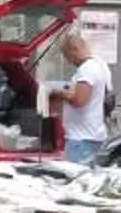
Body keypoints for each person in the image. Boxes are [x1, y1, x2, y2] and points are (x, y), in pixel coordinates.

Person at [45, 32, 113, 162]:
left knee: (77, 179)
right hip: (94, 134)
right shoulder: (101, 65)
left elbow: (79, 100)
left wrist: (56, 92)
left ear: (74, 50)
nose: (69, 61)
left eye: (67, 56)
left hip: (81, 139)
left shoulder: (87, 69)